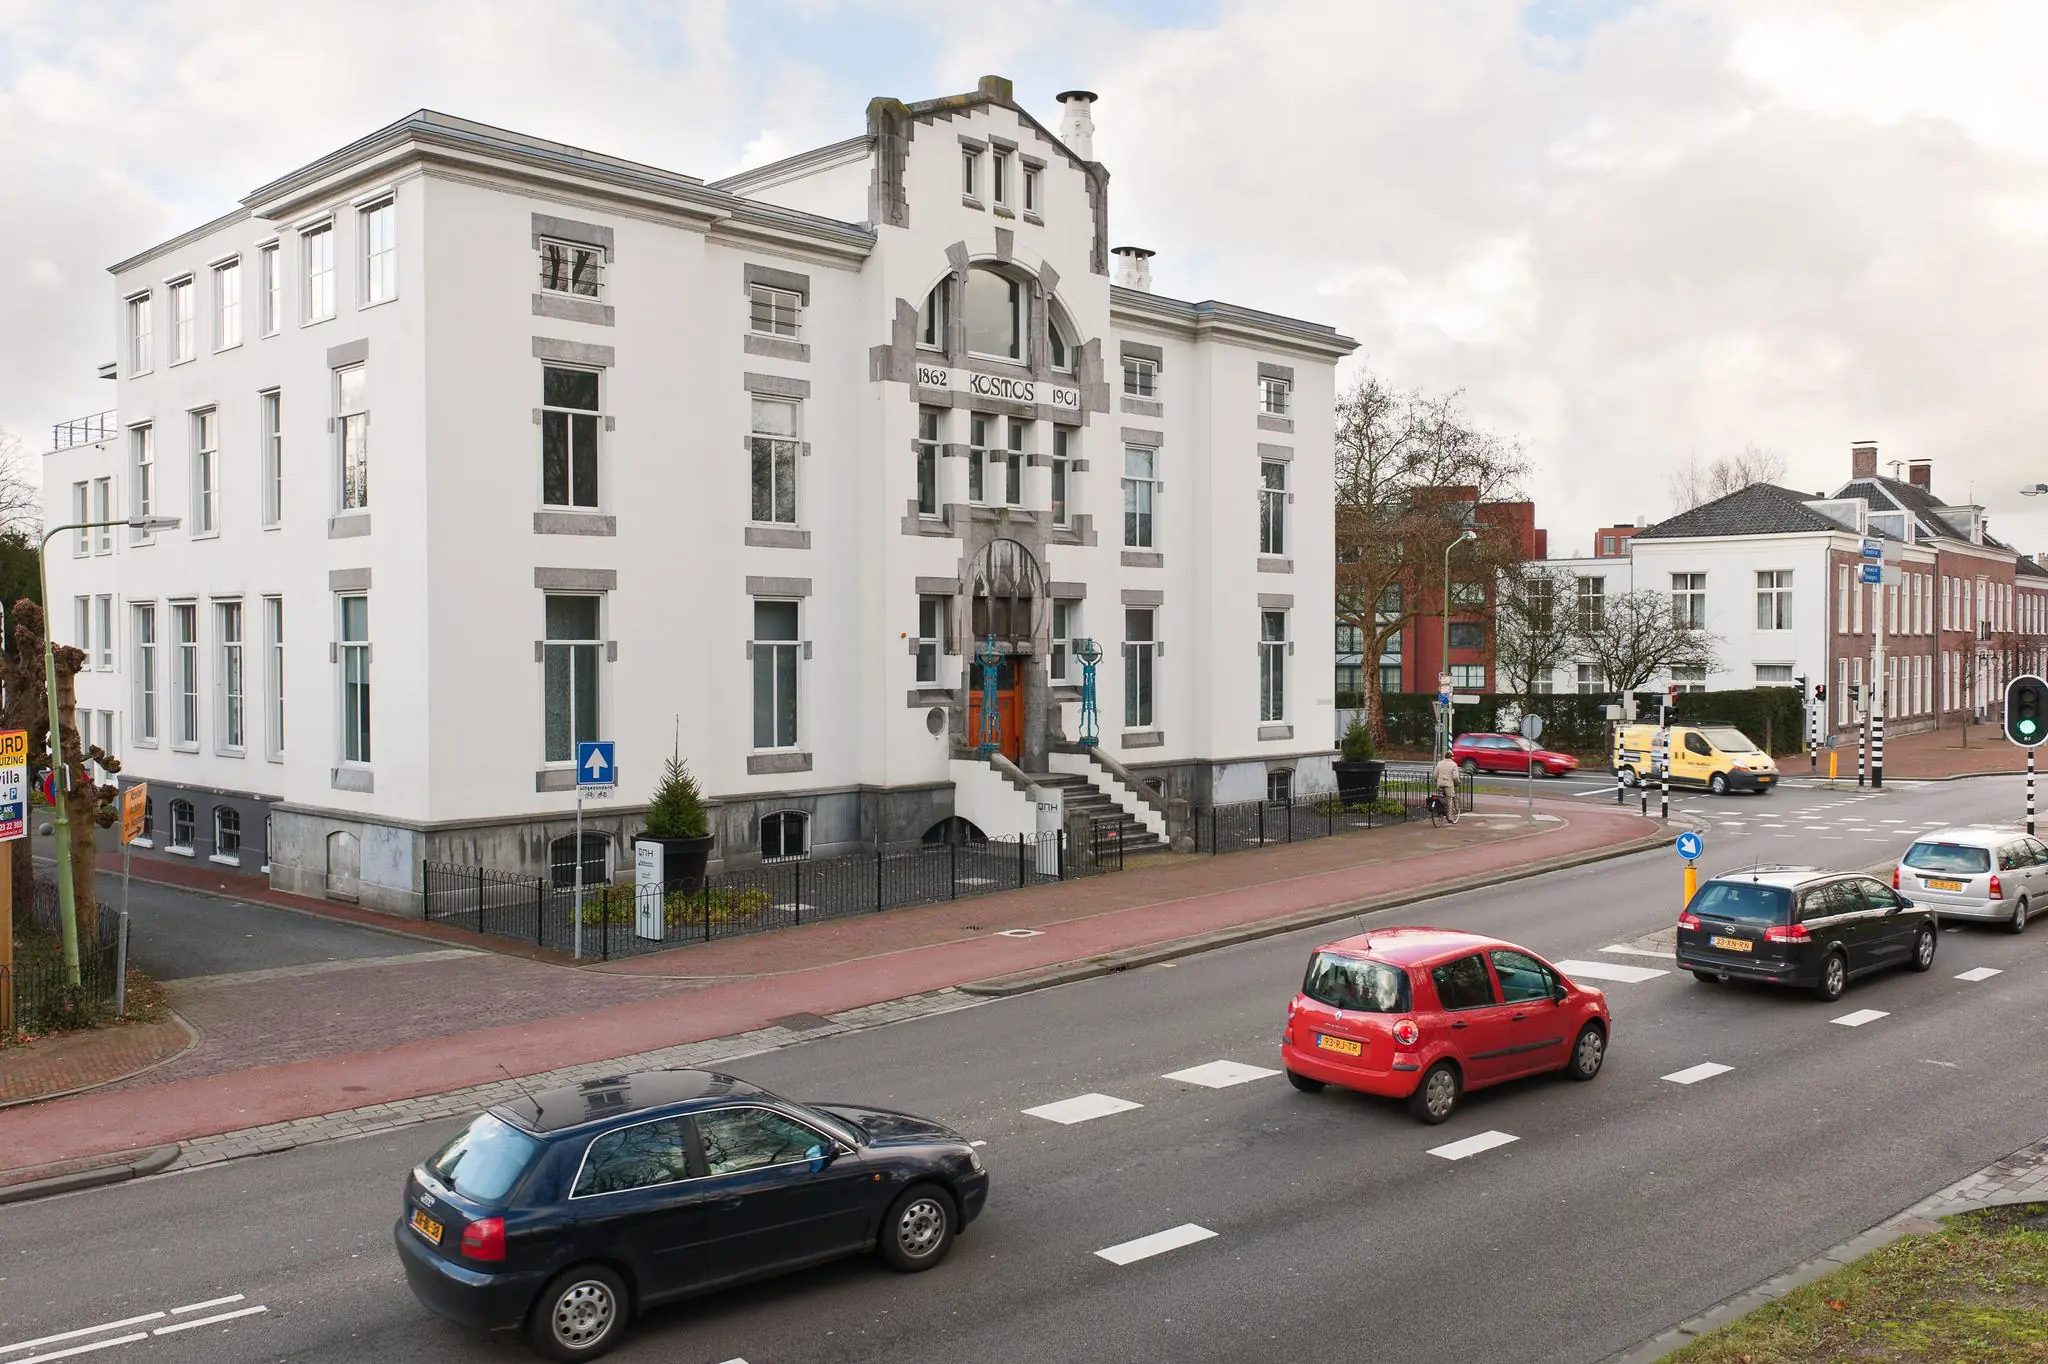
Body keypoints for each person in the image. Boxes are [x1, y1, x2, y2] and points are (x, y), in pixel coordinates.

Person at [1432, 751, 1461, 824]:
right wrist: (1457, 783)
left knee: (1440, 798)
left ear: (1445, 756)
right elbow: (1455, 777)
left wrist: (1437, 781)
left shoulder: (1439, 763)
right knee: (1449, 799)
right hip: (1448, 785)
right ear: (1451, 757)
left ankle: (1440, 813)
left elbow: (1435, 775)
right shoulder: (1454, 764)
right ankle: (1449, 816)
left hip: (1440, 784)